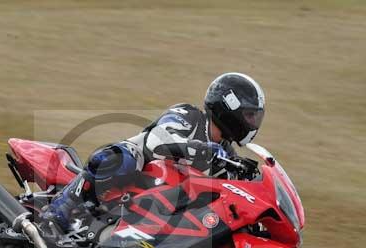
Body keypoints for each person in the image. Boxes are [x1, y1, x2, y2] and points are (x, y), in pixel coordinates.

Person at [42, 72, 266, 232]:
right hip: (136, 173)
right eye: (249, 115)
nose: (252, 122)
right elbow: (157, 142)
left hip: (160, 207)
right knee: (122, 160)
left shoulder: (226, 154)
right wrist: (202, 149)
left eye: (255, 116)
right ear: (228, 106)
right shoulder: (189, 115)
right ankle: (62, 206)